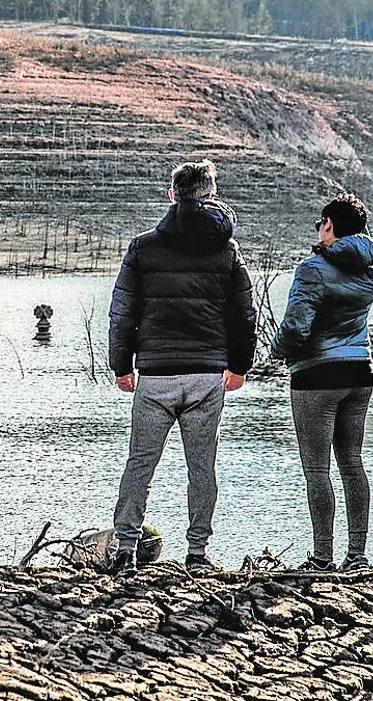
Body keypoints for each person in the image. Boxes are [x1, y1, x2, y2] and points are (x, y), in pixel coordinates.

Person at [106, 160, 257, 574]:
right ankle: (197, 552)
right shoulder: (227, 248)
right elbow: (244, 313)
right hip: (207, 373)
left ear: (173, 195)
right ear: (211, 195)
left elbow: (122, 312)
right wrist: (240, 365)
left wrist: (121, 365)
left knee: (140, 463)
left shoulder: (143, 246)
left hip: (155, 373)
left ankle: (125, 548)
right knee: (202, 466)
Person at [271, 193, 373, 572]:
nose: (318, 231)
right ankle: (358, 556)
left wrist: (277, 352)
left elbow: (295, 326)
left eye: (321, 224)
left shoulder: (312, 269)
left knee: (317, 469)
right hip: (360, 369)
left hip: (317, 374)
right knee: (353, 463)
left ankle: (322, 558)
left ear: (329, 226)